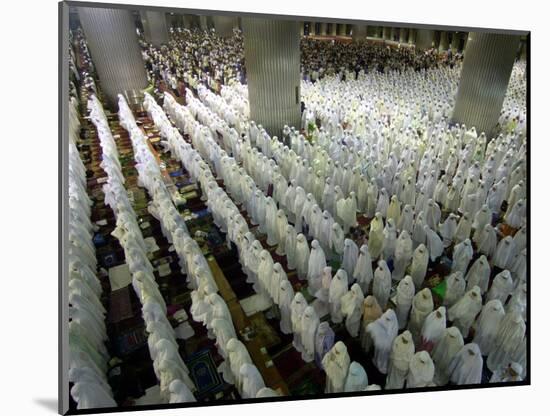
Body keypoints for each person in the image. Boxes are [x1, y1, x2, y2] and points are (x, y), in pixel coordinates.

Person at [367, 309, 399, 374]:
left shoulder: (395, 326)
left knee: (383, 357)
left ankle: (381, 366)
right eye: (386, 318)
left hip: (387, 346)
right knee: (377, 353)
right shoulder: (384, 317)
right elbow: (379, 322)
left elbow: (392, 337)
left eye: (388, 319)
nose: (387, 320)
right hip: (380, 344)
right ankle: (376, 362)